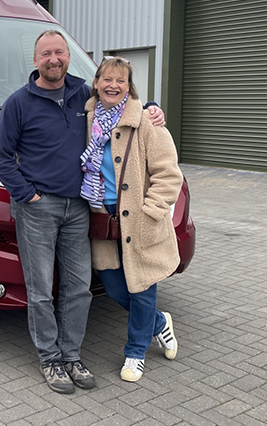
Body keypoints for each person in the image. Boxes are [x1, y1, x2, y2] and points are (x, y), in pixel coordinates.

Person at [0, 31, 164, 394]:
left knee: (79, 288)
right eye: (45, 54)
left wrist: (150, 106)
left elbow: (118, 99)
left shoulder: (82, 94)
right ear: (35, 59)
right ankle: (50, 360)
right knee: (40, 289)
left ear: (69, 56)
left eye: (59, 52)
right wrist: (28, 196)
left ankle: (71, 355)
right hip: (39, 207)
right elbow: (2, 157)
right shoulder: (18, 103)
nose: (53, 59)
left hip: (81, 207)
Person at [80, 56, 183, 382]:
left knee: (142, 288)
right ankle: (159, 323)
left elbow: (168, 174)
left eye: (120, 81)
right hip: (103, 220)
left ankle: (135, 352)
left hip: (140, 221)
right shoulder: (84, 119)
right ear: (95, 82)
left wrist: (152, 211)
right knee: (114, 288)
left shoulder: (146, 121)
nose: (113, 85)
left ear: (129, 85)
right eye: (107, 79)